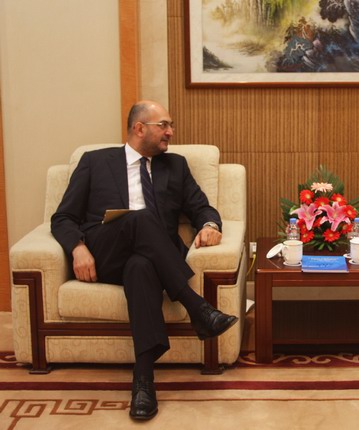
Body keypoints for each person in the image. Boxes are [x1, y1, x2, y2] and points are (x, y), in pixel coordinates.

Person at [51, 100, 238, 421]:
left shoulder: (175, 166)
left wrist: (210, 225)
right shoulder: (95, 162)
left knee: (141, 266)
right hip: (106, 251)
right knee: (139, 218)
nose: (171, 132)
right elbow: (63, 217)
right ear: (139, 128)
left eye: (171, 125)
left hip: (154, 258)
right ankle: (197, 307)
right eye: (163, 125)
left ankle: (143, 380)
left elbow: (201, 207)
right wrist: (77, 248)